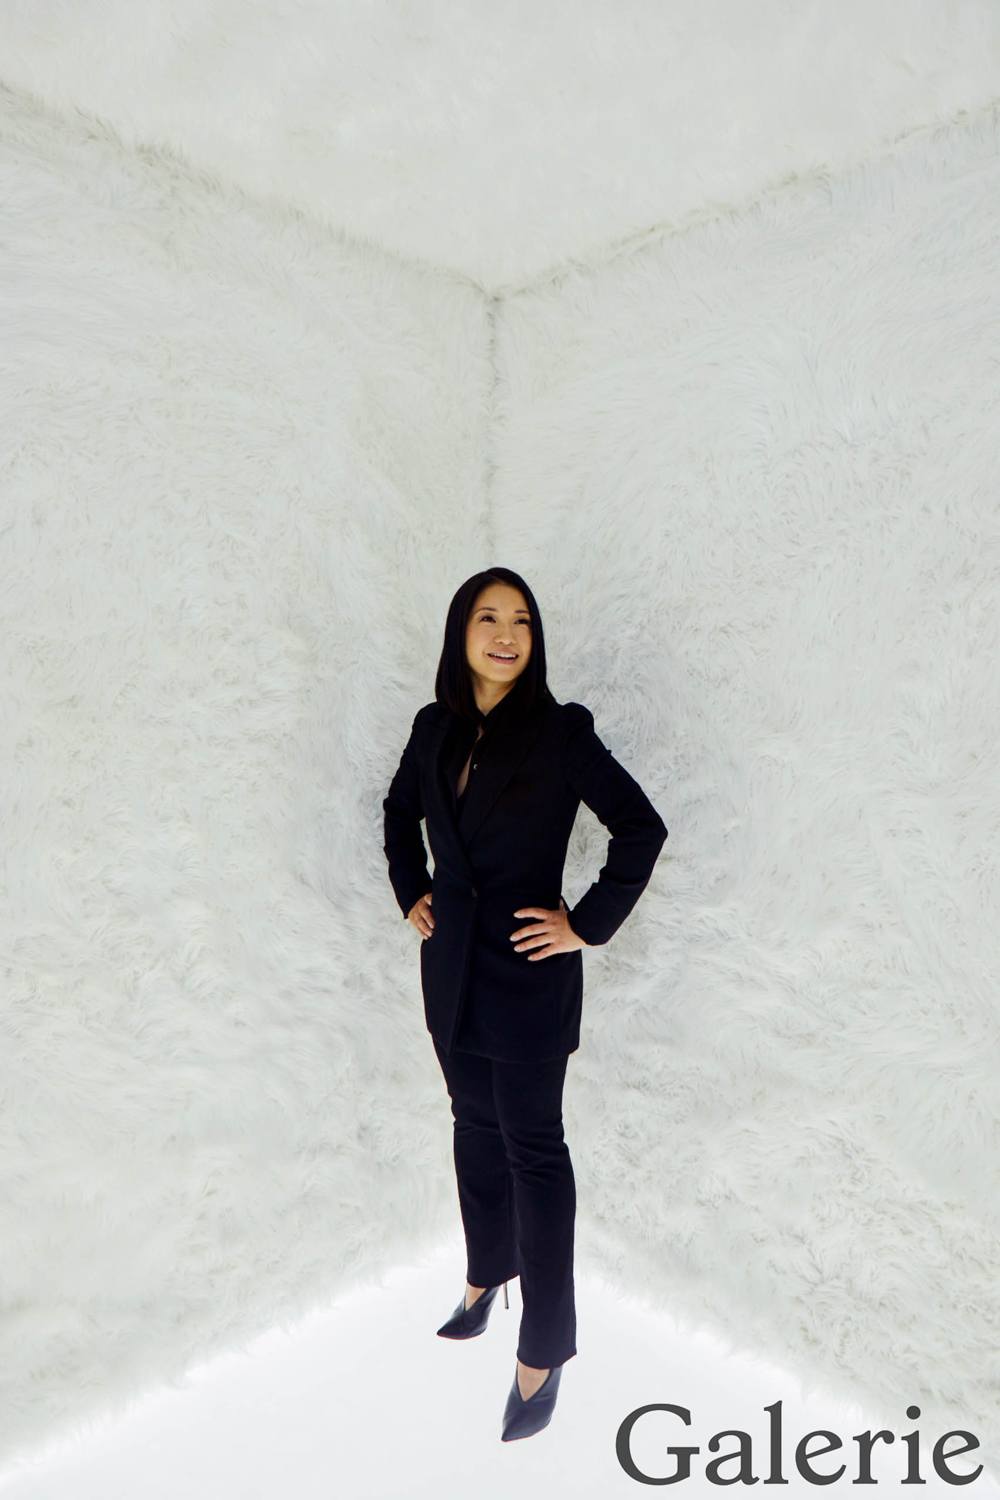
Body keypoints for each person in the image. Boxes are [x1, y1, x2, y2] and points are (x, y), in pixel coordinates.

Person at [382, 566, 668, 1441]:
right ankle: (485, 1271)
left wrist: (584, 924)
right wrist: (411, 891)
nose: (505, 634)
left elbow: (640, 828)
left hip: (529, 979)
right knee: (471, 1125)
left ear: (534, 640)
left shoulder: (559, 731)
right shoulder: (433, 727)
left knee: (534, 1153)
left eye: (521, 622)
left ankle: (542, 1349)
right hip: (451, 975)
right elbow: (397, 815)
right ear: (459, 631)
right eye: (487, 617)